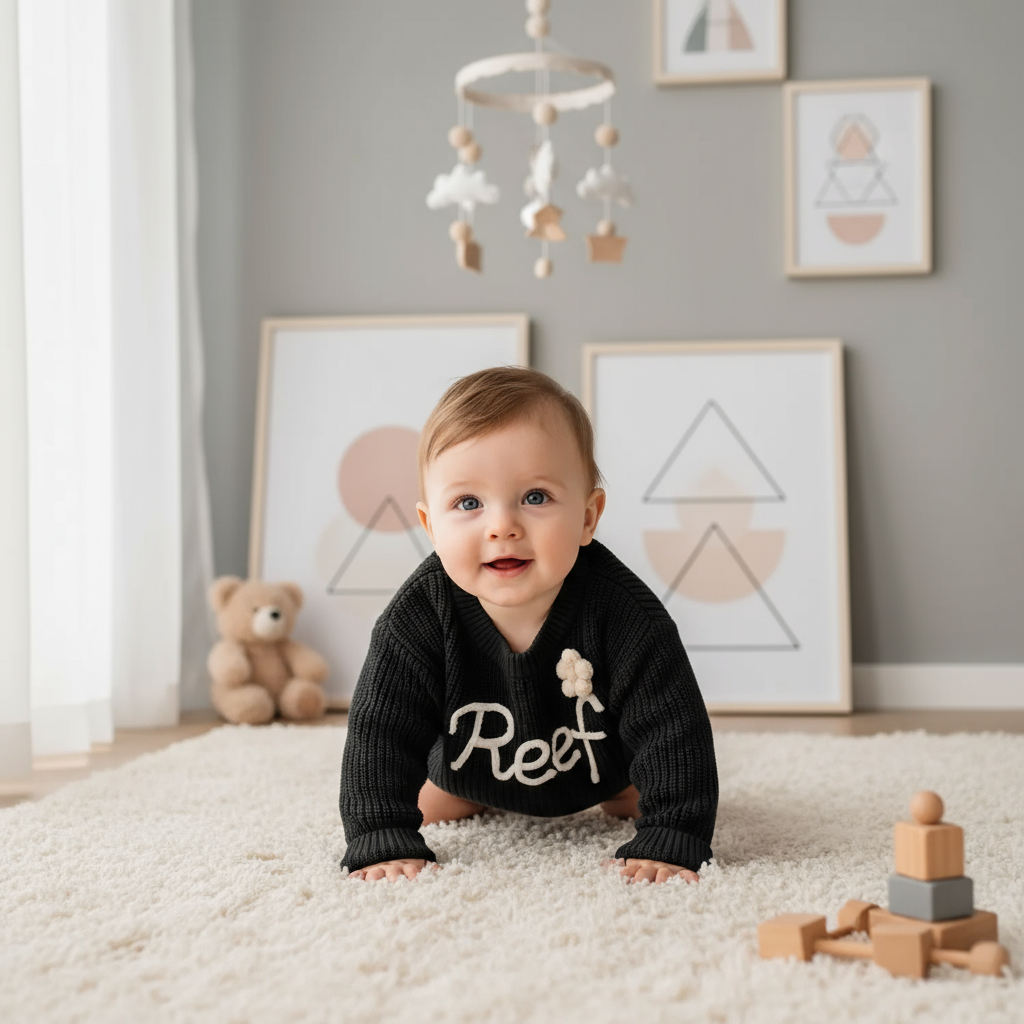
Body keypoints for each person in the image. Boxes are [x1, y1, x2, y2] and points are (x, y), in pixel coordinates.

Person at [339, 366, 718, 884]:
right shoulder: (417, 618)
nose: (502, 526)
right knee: (434, 802)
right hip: (468, 768)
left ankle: (623, 790)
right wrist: (378, 833)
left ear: (588, 517)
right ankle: (462, 791)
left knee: (637, 789)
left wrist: (675, 832)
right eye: (468, 503)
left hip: (600, 768)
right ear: (431, 527)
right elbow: (380, 732)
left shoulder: (627, 615)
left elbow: (674, 727)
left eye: (535, 497)